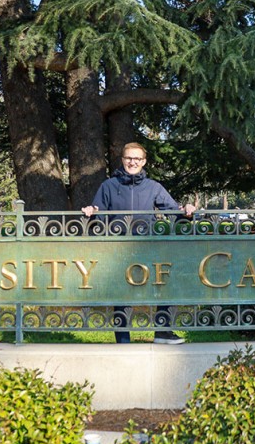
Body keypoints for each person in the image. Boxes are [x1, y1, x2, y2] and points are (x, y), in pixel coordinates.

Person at [82, 142, 196, 344]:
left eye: (137, 159)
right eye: (129, 158)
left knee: (164, 285)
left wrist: (186, 211)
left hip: (149, 247)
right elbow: (98, 214)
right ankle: (123, 340)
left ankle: (162, 332)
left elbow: (174, 211)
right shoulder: (108, 186)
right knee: (122, 294)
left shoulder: (154, 187)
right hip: (119, 249)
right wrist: (91, 213)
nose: (132, 162)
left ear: (144, 161)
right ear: (122, 160)